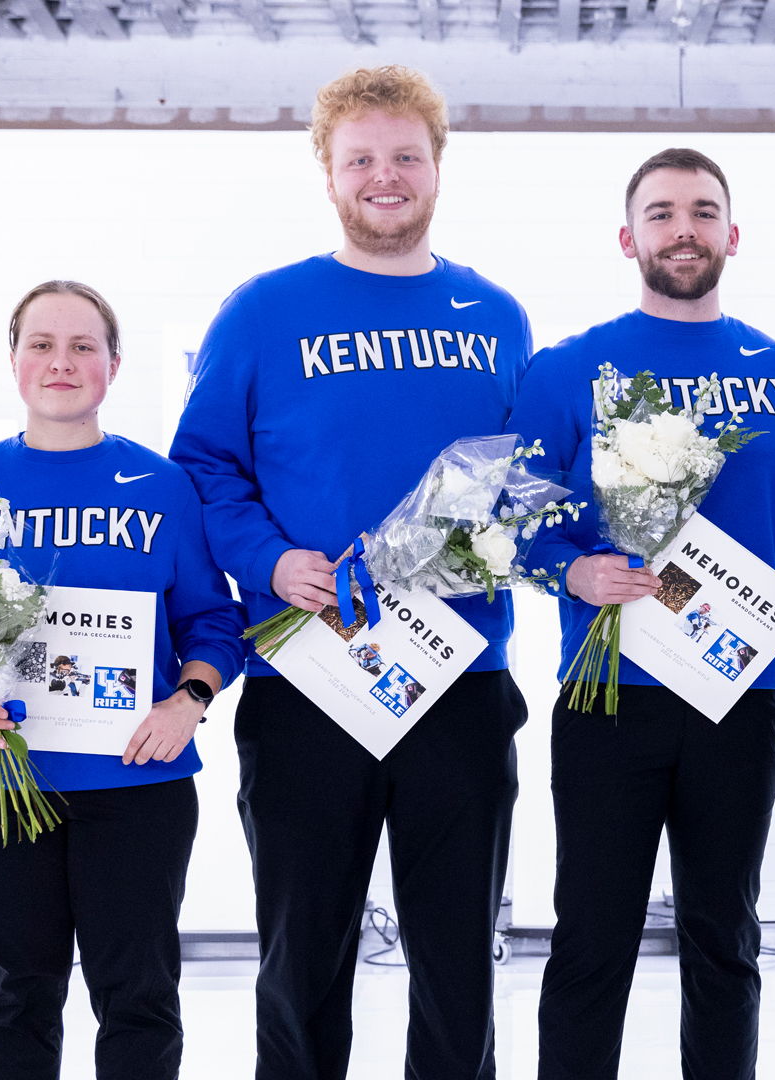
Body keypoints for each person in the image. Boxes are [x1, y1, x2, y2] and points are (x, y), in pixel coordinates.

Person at [168, 65, 533, 1080]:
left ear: (437, 167)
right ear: (328, 172)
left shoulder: (495, 315)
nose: (385, 177)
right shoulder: (262, 312)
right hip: (306, 684)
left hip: (459, 681)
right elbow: (201, 469)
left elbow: (519, 475)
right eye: (361, 159)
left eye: (405, 156)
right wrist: (269, 561)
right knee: (303, 963)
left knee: (458, 963)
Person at [506, 147, 775, 1080]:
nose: (682, 229)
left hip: (738, 693)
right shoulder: (567, 368)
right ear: (628, 238)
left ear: (733, 235)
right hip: (607, 690)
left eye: (702, 211)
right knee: (591, 940)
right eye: (661, 213)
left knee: (725, 938)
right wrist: (571, 574)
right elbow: (516, 521)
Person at [0, 281, 246, 1080]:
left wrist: (189, 700)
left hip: (136, 780)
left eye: (82, 346)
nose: (60, 362)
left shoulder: (166, 488)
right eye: (41, 343)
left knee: (137, 996)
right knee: (14, 996)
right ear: (13, 360)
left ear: (114, 364)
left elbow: (215, 623)